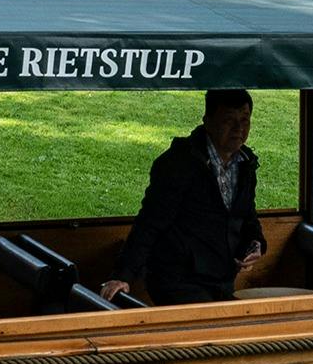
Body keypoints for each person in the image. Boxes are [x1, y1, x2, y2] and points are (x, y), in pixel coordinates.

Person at [104, 88, 264, 305]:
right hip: (178, 280)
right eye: (229, 120)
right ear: (208, 122)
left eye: (245, 120)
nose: (239, 128)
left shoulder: (246, 164)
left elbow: (247, 217)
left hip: (222, 280)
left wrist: (255, 244)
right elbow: (150, 222)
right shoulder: (179, 163)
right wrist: (122, 276)